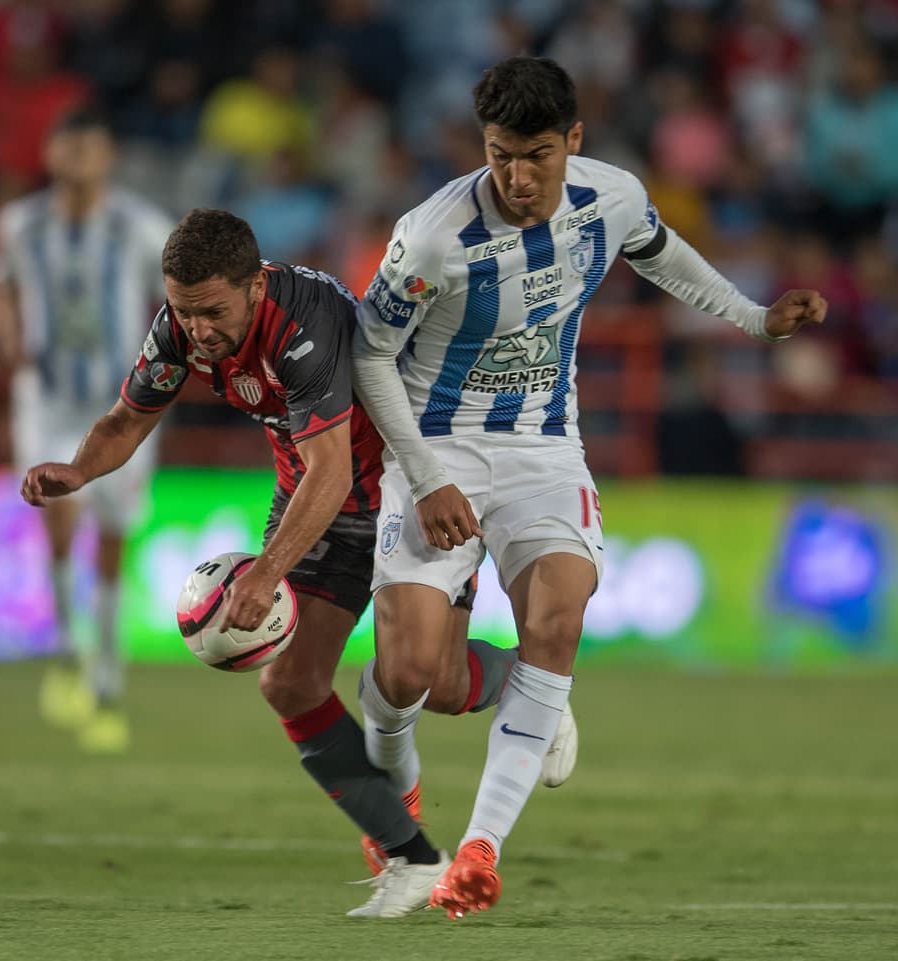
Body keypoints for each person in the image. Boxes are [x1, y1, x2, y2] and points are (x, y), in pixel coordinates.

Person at [351, 55, 828, 919]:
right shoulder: (429, 235)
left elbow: (661, 255)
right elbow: (370, 351)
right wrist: (423, 477)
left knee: (559, 615)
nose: (519, 176)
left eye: (538, 154)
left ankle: (478, 851)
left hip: (542, 449)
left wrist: (754, 320)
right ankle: (413, 788)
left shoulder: (612, 197)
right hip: (435, 448)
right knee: (416, 671)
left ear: (575, 140)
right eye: (500, 154)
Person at [21, 208, 533, 918]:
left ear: (255, 285)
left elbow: (330, 470)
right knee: (290, 683)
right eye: (182, 310)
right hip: (314, 501)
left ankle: (530, 684)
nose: (197, 328)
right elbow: (127, 418)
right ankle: (409, 855)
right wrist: (79, 472)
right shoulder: (181, 327)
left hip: (404, 489)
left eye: (211, 311)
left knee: (433, 684)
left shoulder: (305, 323)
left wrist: (264, 573)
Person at [0, 106, 175, 753]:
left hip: (122, 406)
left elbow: (181, 295)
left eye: (90, 146)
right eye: (68, 146)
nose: (78, 159)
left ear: (109, 154)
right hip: (46, 397)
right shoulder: (21, 223)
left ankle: (107, 673)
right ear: (51, 153)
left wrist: (166, 364)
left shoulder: (140, 226)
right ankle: (69, 643)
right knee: (57, 512)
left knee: (114, 538)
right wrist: (9, 334)